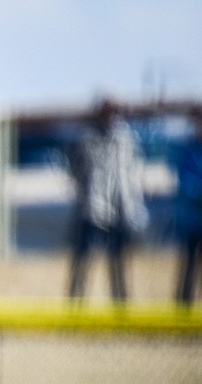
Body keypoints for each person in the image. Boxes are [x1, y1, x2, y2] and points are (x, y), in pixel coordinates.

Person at [66, 97, 148, 302]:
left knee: (118, 261)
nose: (111, 117)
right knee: (83, 261)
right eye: (107, 112)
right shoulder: (86, 139)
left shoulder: (125, 140)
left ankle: (121, 306)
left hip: (118, 210)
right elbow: (76, 170)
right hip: (92, 209)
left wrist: (130, 206)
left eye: (114, 112)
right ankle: (75, 306)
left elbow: (131, 174)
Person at [173, 106, 202, 305]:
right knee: (189, 266)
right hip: (192, 221)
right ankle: (183, 307)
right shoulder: (188, 149)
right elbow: (185, 181)